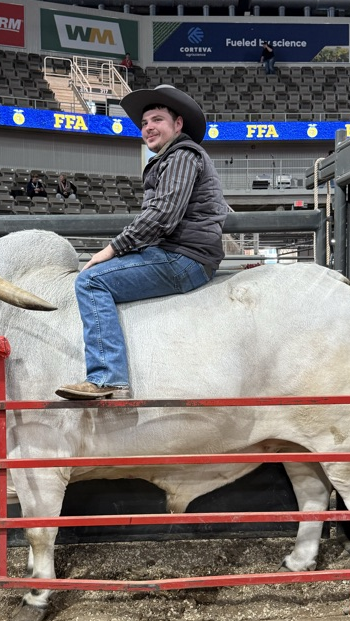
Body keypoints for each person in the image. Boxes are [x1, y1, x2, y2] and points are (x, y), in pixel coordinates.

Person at [55, 84, 227, 400]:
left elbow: (162, 216)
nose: (148, 127)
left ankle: (106, 377)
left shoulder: (182, 156)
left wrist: (111, 249)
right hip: (181, 251)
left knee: (90, 281)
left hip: (184, 257)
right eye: (145, 123)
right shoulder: (172, 157)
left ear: (178, 125)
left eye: (157, 119)